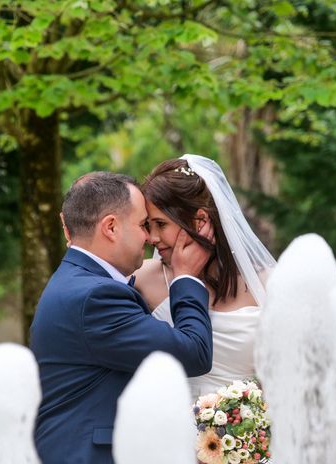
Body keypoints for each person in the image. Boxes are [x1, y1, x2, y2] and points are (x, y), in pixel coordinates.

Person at [30, 171, 214, 464]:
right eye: (143, 225)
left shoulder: (77, 282)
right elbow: (194, 352)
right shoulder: (95, 298)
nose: (151, 238)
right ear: (111, 227)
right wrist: (186, 279)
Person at [135, 154, 276, 398]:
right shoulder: (143, 279)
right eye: (148, 226)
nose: (152, 238)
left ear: (200, 220)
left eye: (161, 224)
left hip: (247, 431)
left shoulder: (266, 283)